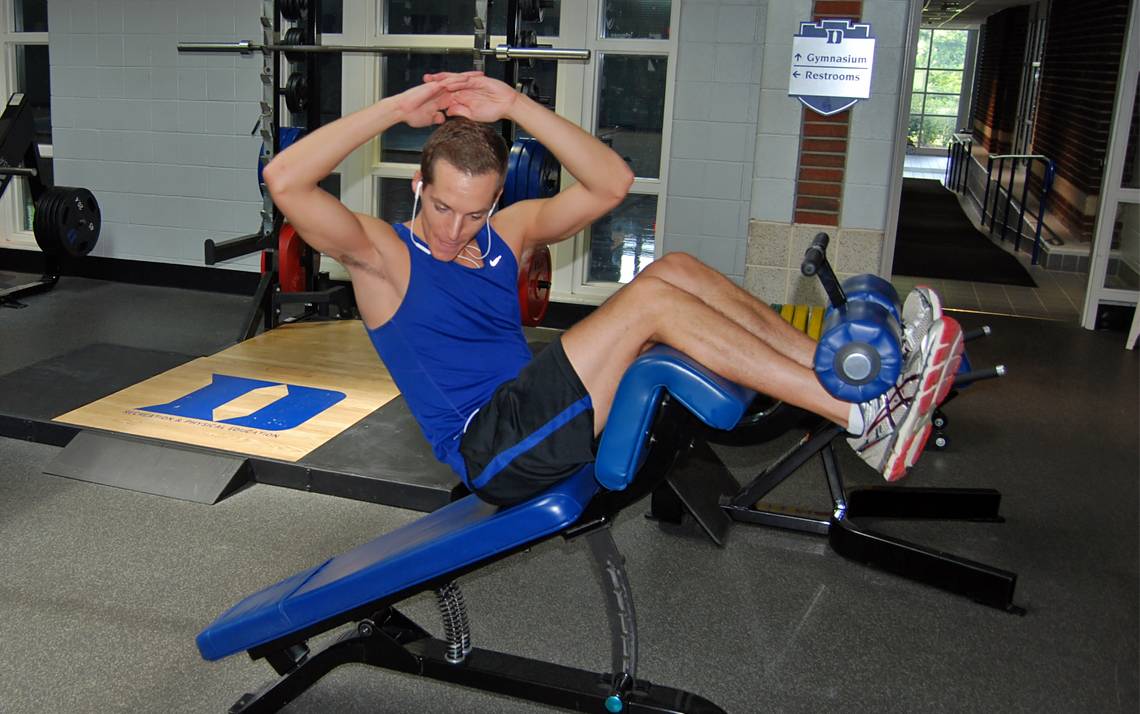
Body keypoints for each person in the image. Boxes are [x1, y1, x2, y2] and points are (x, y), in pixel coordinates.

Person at [262, 72, 962, 506]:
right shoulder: (386, 257)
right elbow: (284, 181)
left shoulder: (506, 236)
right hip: (493, 448)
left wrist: (514, 104)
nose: (455, 229)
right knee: (653, 302)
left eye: (475, 211)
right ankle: (860, 415)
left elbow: (612, 183)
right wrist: (394, 108)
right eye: (442, 207)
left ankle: (837, 376)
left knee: (676, 269)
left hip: (543, 409)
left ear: (498, 198)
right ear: (419, 185)